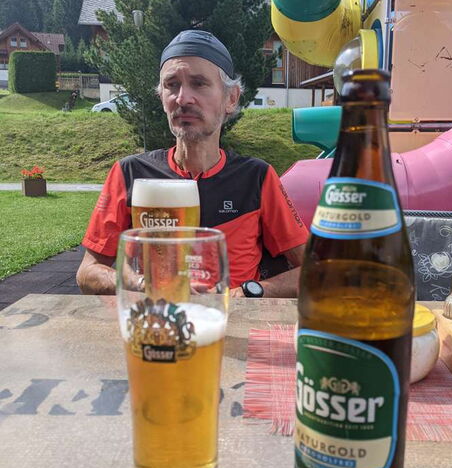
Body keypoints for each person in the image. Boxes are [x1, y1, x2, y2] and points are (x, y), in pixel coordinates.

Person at [77, 30, 308, 298]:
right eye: (171, 84)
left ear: (231, 98)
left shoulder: (256, 177)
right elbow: (87, 272)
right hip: (157, 316)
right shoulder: (130, 174)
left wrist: (249, 293)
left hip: (231, 318)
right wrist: (144, 284)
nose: (183, 98)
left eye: (199, 83)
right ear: (161, 97)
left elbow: (315, 271)